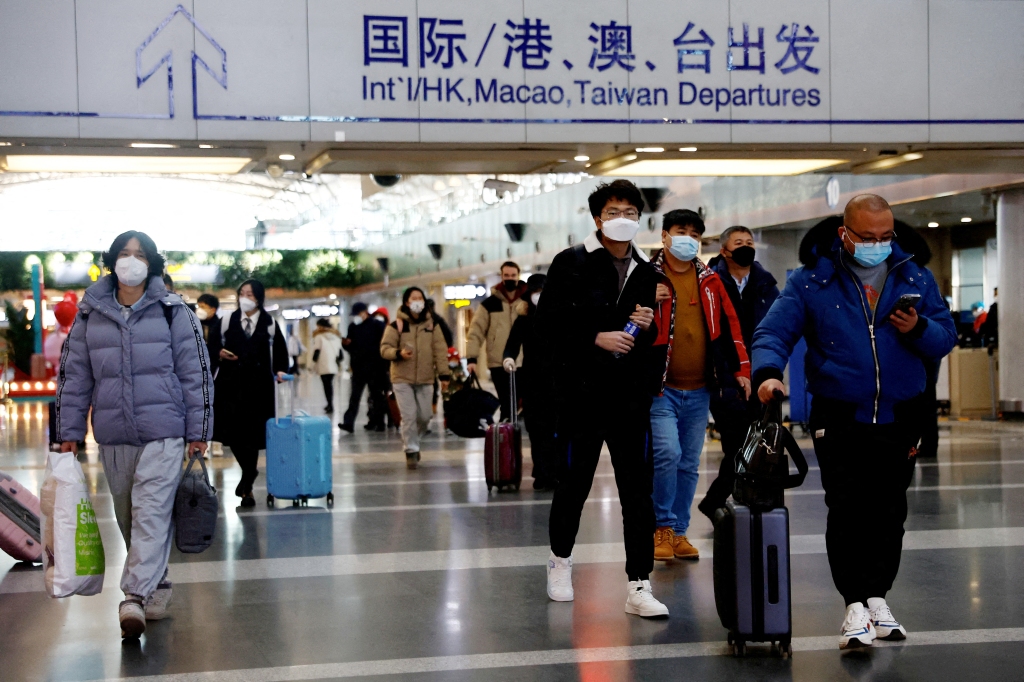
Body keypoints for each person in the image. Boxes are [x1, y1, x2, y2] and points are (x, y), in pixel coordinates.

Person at [752, 194, 956, 649]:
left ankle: (878, 598)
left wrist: (918, 328)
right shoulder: (811, 283)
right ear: (844, 234)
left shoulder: (914, 276)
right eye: (867, 237)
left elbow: (945, 337)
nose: (877, 245)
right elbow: (773, 332)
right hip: (840, 414)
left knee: (889, 510)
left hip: (902, 414)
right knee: (846, 507)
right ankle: (853, 607)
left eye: (886, 237)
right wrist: (767, 375)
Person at [56, 230, 213, 638]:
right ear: (112, 262)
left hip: (165, 430)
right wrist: (68, 432)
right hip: (113, 433)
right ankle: (155, 582)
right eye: (124, 254)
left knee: (152, 511)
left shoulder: (172, 311)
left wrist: (199, 430)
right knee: (129, 515)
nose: (131, 260)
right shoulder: (90, 314)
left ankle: (132, 598)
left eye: (139, 254)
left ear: (152, 263)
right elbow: (74, 376)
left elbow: (195, 374)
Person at [536, 179, 668, 617]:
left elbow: (648, 342)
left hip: (629, 400)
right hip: (581, 397)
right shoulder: (570, 263)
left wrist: (642, 331)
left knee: (637, 492)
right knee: (573, 483)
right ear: (597, 218)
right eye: (614, 211)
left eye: (631, 212)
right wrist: (597, 338)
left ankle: (639, 583)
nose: (624, 220)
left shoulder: (648, 272)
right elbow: (549, 330)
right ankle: (559, 560)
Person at [648, 210, 751, 562]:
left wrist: (742, 369)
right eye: (681, 231)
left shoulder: (710, 280)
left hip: (700, 388)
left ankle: (678, 532)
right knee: (667, 454)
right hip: (660, 388)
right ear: (664, 236)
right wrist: (648, 301)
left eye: (695, 233)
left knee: (689, 462)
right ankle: (661, 526)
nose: (688, 238)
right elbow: (628, 320)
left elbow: (731, 325)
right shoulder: (647, 276)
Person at [698, 225, 780, 520]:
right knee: (737, 443)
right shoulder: (709, 283)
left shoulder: (765, 284)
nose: (746, 247)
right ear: (724, 250)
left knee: (751, 443)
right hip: (726, 376)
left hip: (759, 374)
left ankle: (725, 500)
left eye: (749, 242)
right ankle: (717, 500)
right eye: (738, 243)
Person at [208, 279, 289, 507]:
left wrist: (281, 371)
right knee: (234, 435)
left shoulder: (269, 324)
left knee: (252, 437)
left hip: (259, 389)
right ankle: (249, 473)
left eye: (250, 294)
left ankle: (247, 486)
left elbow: (281, 355)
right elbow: (210, 348)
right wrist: (219, 354)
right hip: (230, 387)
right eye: (242, 293)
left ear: (259, 298)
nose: (245, 297)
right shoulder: (226, 321)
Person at [379, 287, 450, 469]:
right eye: (414, 298)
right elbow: (384, 349)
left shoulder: (432, 325)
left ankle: (414, 440)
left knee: (425, 416)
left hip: (426, 378)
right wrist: (398, 353)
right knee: (409, 416)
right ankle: (411, 449)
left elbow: (440, 351)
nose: (417, 301)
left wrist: (444, 374)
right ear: (406, 302)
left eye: (420, 298)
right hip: (402, 378)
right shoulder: (396, 326)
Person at [502, 273, 557, 490]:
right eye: (535, 293)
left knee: (555, 429)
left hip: (557, 381)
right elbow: (512, 344)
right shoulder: (523, 320)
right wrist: (508, 358)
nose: (539, 297)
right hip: (533, 381)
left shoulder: (559, 317)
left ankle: (552, 471)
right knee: (536, 429)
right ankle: (542, 471)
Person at [467, 262, 526, 421]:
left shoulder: (526, 301)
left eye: (513, 275)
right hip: (498, 362)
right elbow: (476, 331)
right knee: (507, 403)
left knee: (522, 401)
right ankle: (506, 436)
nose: (510, 279)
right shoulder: (490, 304)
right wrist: (472, 358)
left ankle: (513, 431)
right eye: (506, 275)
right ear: (501, 276)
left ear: (518, 276)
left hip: (524, 361)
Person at [340, 302, 388, 432]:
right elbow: (350, 346)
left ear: (365, 312)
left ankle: (379, 422)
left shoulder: (378, 326)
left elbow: (384, 344)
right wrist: (346, 344)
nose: (356, 317)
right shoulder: (353, 327)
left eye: (358, 314)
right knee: (354, 397)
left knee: (376, 396)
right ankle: (348, 423)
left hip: (375, 367)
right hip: (358, 368)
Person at [312, 318, 343, 414]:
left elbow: (316, 351)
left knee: (326, 386)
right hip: (333, 364)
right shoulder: (336, 336)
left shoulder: (319, 337)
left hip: (323, 364)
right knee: (330, 385)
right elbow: (340, 353)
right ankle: (330, 404)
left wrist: (313, 362)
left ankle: (330, 404)